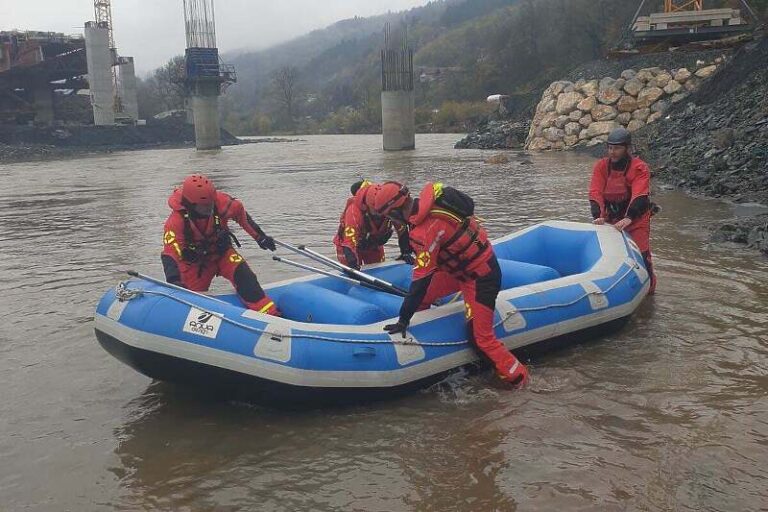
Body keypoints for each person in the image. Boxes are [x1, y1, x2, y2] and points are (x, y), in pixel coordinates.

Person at [368, 181, 529, 387]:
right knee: (421, 300)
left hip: (480, 277)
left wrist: (403, 320)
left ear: (396, 210)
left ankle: (521, 381)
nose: (390, 220)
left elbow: (420, 282)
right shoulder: (429, 208)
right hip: (457, 271)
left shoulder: (425, 230)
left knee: (481, 339)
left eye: (389, 216)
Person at [161, 173, 280, 315]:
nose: (208, 210)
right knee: (189, 301)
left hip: (222, 254)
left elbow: (241, 215)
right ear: (190, 205)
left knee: (246, 278)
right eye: (203, 208)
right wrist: (174, 280)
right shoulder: (175, 222)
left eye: (209, 206)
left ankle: (272, 315)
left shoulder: (221, 202)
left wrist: (260, 237)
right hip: (197, 265)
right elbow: (170, 253)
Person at [589, 127, 657, 294]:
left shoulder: (639, 168)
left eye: (617, 148)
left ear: (627, 148)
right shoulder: (601, 166)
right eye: (610, 148)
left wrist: (629, 218)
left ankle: (650, 292)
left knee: (642, 256)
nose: (613, 152)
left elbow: (640, 195)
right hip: (611, 219)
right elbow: (595, 192)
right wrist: (598, 215)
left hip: (635, 219)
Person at [332, 179, 413, 270]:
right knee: (350, 272)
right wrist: (353, 268)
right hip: (348, 247)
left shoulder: (390, 204)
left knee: (379, 270)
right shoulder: (354, 211)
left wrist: (405, 252)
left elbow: (401, 228)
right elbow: (349, 243)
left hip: (374, 244)